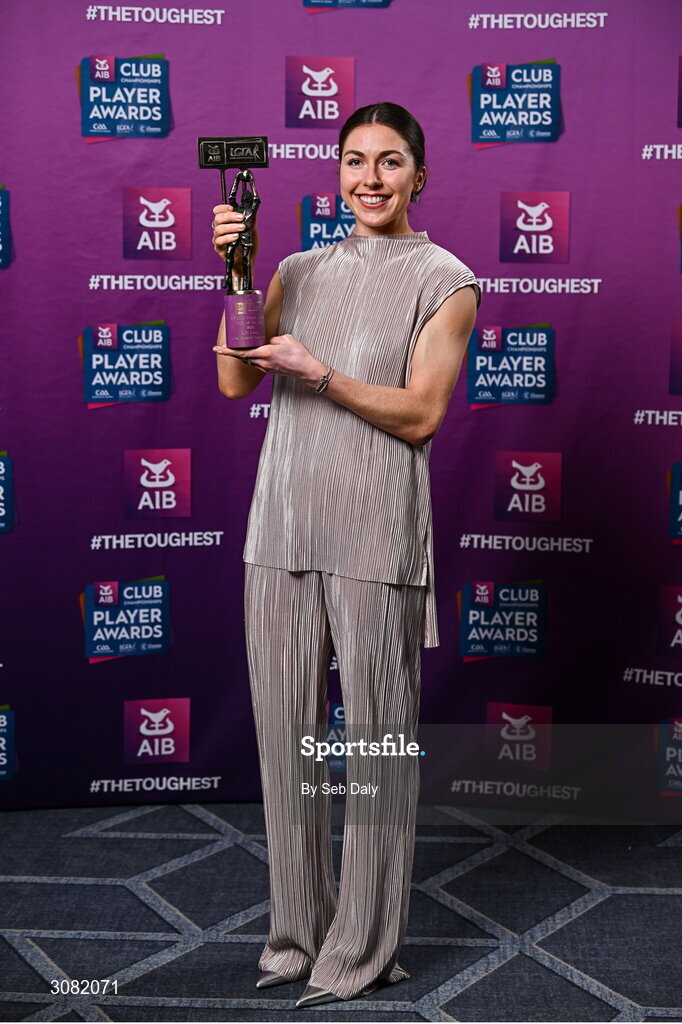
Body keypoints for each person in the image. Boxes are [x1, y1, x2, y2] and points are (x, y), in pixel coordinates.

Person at [211, 102, 480, 1008]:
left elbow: (423, 415)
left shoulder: (445, 278)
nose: (370, 179)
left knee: (375, 750)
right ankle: (295, 936)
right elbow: (234, 373)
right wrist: (236, 270)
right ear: (334, 171)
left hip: (376, 536)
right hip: (279, 529)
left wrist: (319, 371)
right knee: (286, 747)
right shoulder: (293, 268)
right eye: (355, 161)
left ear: (420, 175)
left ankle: (363, 947)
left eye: (391, 162)